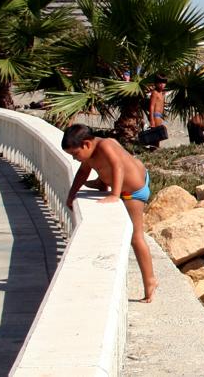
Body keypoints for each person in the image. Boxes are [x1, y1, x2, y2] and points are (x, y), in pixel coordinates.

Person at [61, 124, 157, 302]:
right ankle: (101, 182)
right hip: (128, 181)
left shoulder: (105, 145)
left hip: (133, 192)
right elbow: (83, 173)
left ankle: (150, 280)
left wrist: (115, 194)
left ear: (87, 144)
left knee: (136, 238)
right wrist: (71, 195)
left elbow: (117, 166)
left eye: (75, 154)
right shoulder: (91, 152)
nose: (75, 159)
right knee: (94, 168)